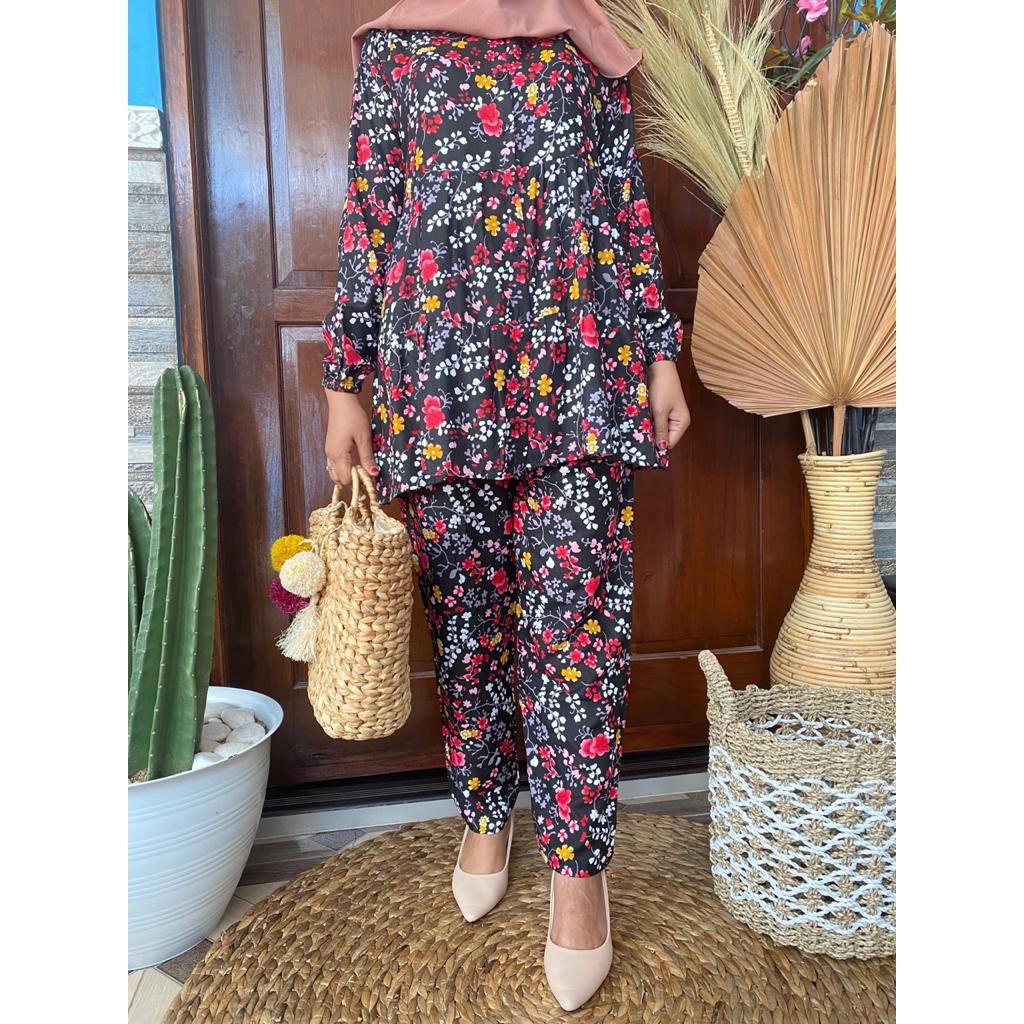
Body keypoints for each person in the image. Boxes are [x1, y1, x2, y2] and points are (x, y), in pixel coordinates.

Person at [322, 25, 690, 1011]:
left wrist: (659, 351)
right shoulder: (397, 51)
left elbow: (623, 208)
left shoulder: (590, 50)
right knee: (468, 623)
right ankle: (485, 808)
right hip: (438, 375)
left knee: (576, 631)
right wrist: (345, 383)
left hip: (582, 369)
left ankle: (577, 871)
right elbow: (371, 214)